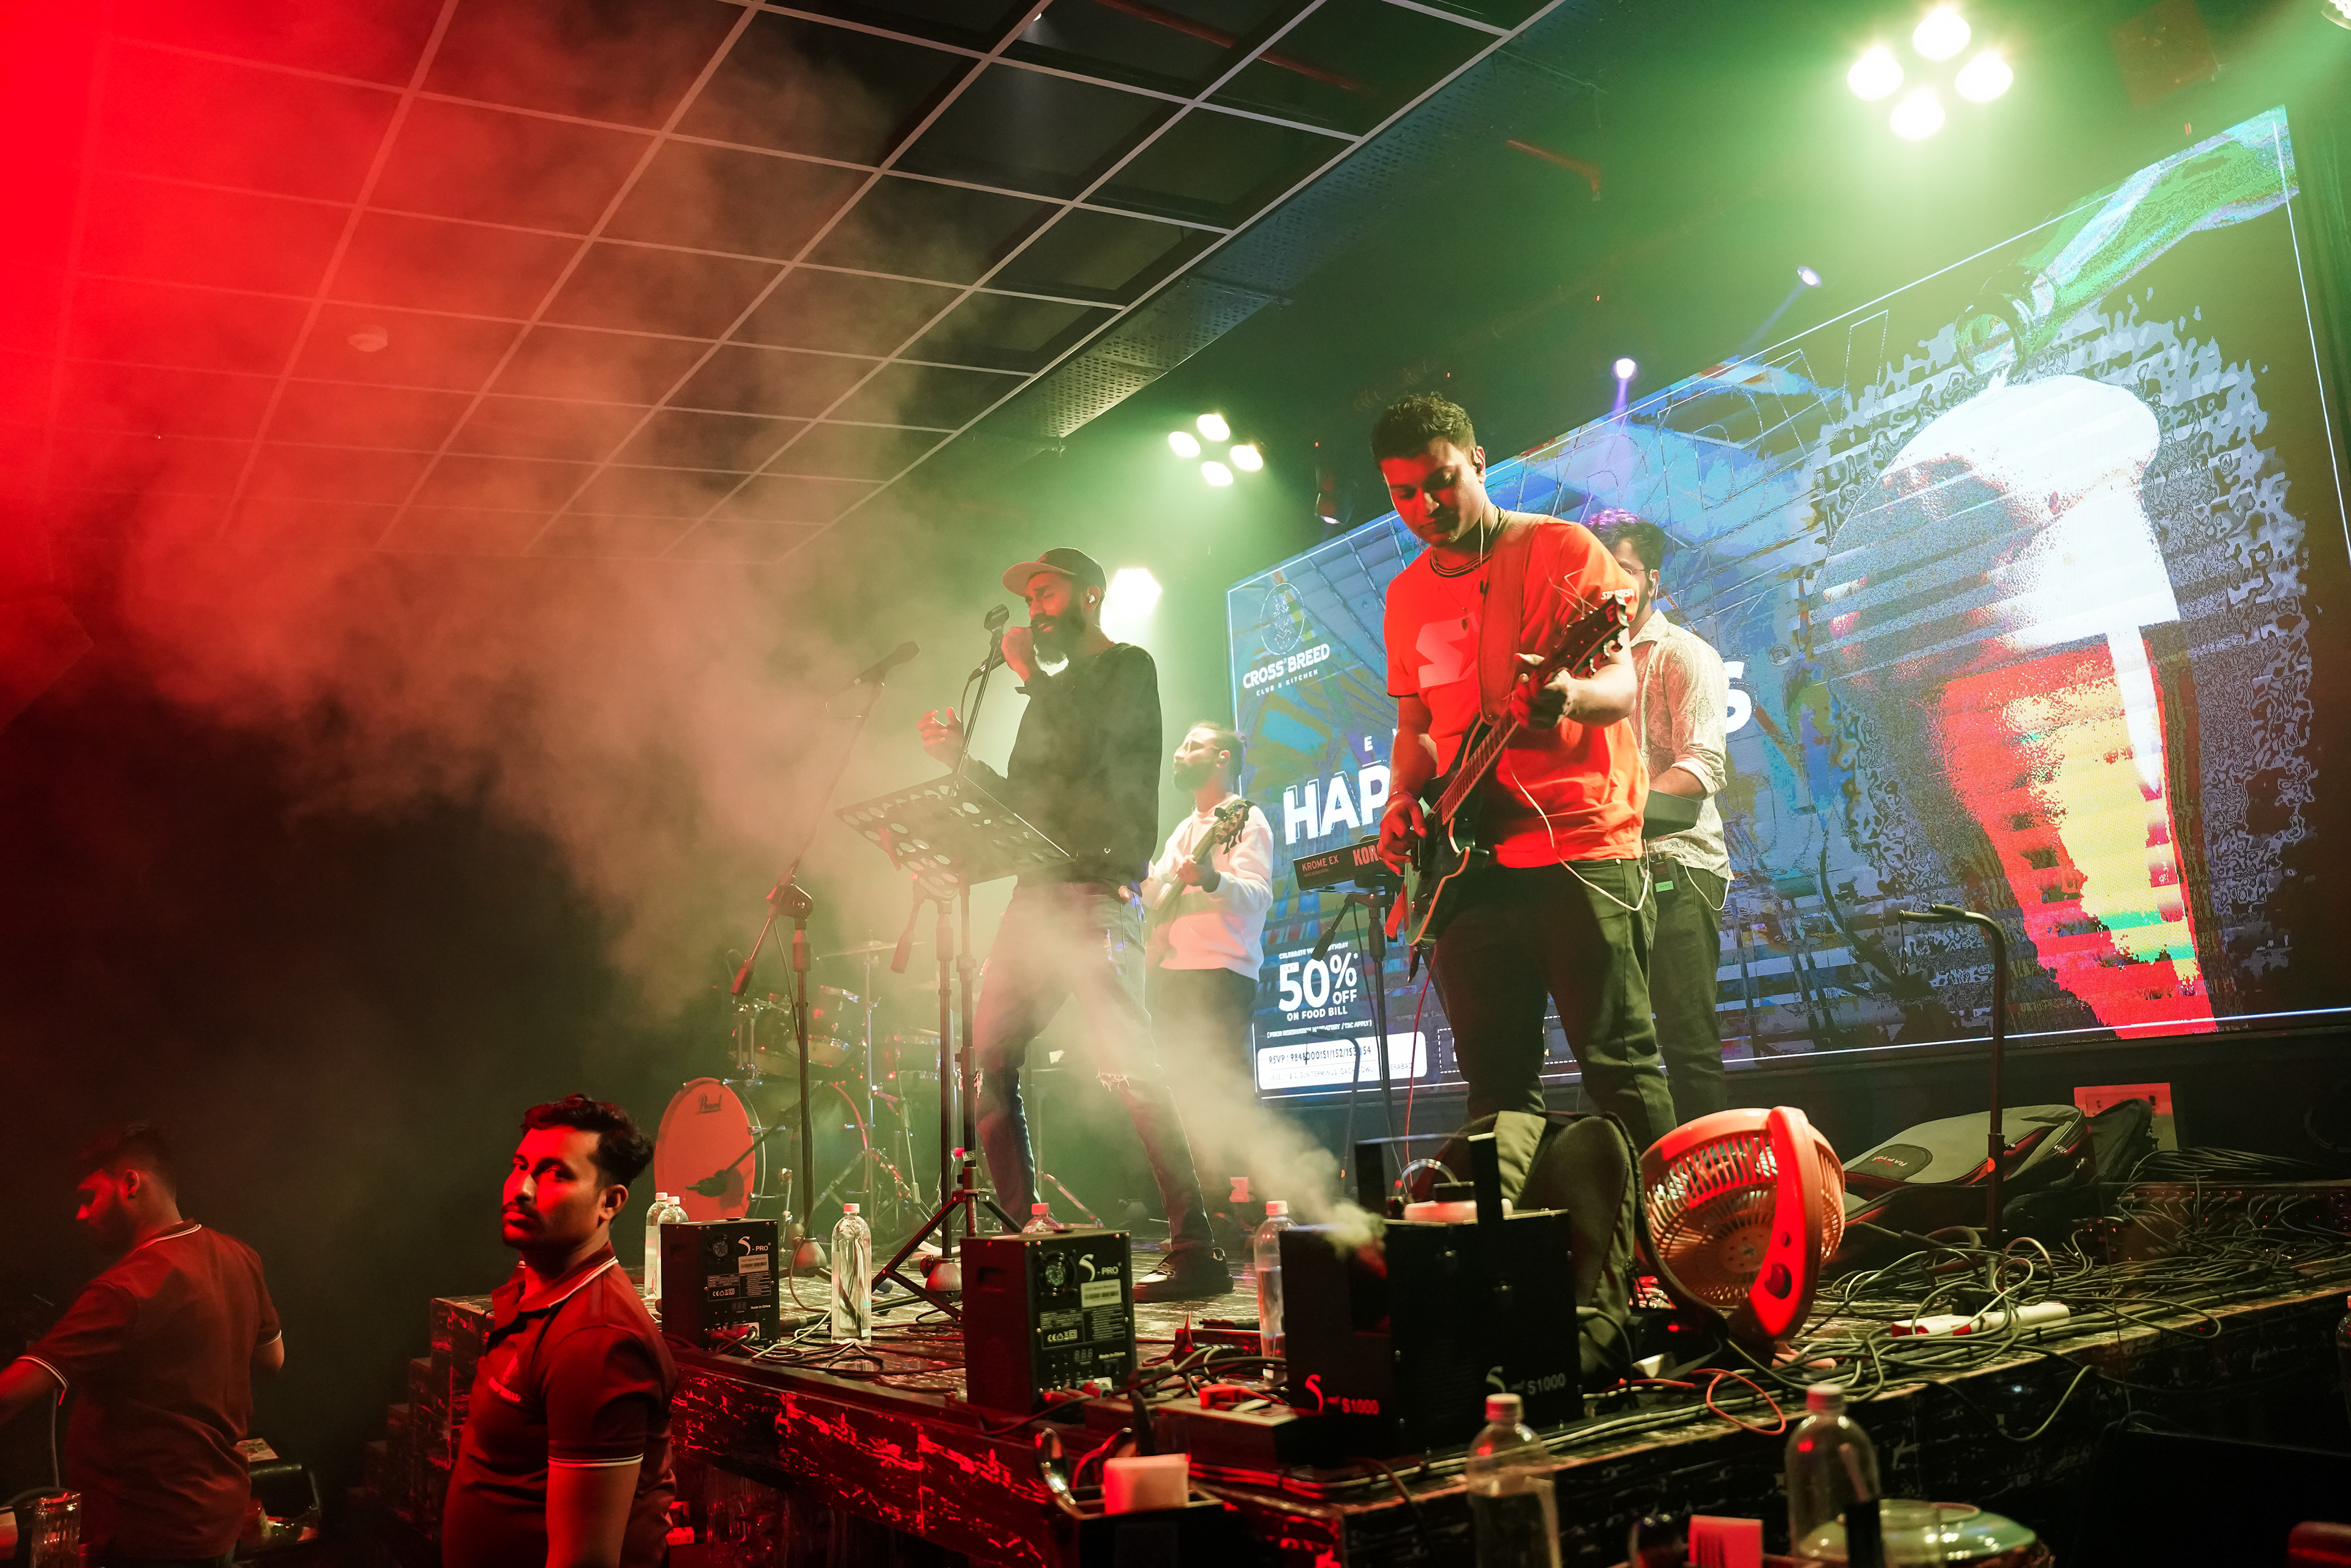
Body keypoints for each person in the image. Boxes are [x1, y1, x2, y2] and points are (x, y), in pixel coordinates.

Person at [1370, 394, 1677, 1153]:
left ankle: (1665, 1229)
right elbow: (1416, 726)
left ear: (1478, 462)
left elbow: (1620, 687)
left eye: (1440, 481)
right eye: (1403, 492)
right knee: (1496, 1088)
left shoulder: (1560, 548)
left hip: (1580, 845)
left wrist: (1567, 695)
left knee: (1620, 1068)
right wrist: (1402, 796)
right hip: (1467, 868)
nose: (1424, 506)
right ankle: (1527, 1230)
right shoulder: (1404, 595)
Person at [917, 547, 1224, 1300]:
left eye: (1047, 594)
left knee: (1130, 1066)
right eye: (1030, 600)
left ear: (1090, 597)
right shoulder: (1045, 697)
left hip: (1094, 891)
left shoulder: (1128, 667)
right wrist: (961, 762)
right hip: (1034, 897)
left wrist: (1030, 675)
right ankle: (1022, 1231)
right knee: (987, 1056)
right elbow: (1023, 802)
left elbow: (1093, 742)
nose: (1036, 610)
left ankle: (1197, 1246)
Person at [0, 1123, 283, 1568]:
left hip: (149, 1535)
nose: (81, 1215)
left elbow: (9, 1396)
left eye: (89, 1197)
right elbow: (272, 1358)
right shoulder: (240, 1256)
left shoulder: (126, 1288)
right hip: (217, 1519)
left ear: (130, 1183)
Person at [442, 1094, 675, 1568]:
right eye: (520, 1166)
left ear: (610, 1202)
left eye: (555, 1173)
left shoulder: (596, 1341)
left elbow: (585, 1560)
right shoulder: (539, 1284)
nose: (521, 1188)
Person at [1594, 512, 1733, 1124]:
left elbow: (1702, 766)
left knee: (1688, 1045)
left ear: (1652, 579)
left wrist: (1623, 810)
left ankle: (1713, 1178)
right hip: (1610, 873)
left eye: (1622, 572)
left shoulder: (1684, 653)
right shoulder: (1586, 668)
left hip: (1677, 866)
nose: (1609, 586)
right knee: (1615, 1052)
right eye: (1599, 574)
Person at [1141, 721, 1275, 1128]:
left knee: (1223, 1091)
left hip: (1222, 975)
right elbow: (1160, 898)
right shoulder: (1185, 829)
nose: (1179, 753)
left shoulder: (1246, 818)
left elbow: (1259, 895)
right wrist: (1134, 873)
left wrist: (1212, 880)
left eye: (1192, 746)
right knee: (1179, 1094)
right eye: (1181, 746)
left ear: (1222, 758)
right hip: (1173, 974)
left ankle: (1241, 1169)